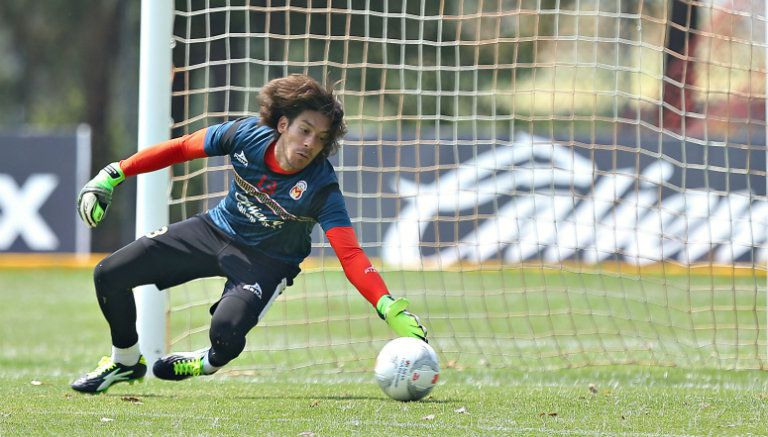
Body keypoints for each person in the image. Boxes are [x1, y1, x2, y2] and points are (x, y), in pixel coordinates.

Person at [71, 74, 427, 393]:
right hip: (214, 229)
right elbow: (180, 149)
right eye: (305, 130)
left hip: (266, 264)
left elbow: (349, 255)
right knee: (109, 274)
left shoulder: (322, 187)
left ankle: (206, 362)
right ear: (283, 124)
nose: (309, 144)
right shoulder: (243, 135)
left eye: (320, 139)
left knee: (225, 331)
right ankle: (126, 361)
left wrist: (387, 306)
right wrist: (115, 172)